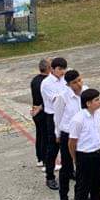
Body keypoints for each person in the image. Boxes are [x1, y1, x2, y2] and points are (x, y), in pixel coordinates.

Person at [54, 69, 85, 200]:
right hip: (68, 134)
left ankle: (82, 193)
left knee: (83, 166)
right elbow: (58, 117)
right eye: (74, 82)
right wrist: (58, 134)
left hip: (84, 134)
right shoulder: (63, 97)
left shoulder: (86, 92)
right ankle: (64, 197)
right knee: (66, 167)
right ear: (68, 85)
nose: (79, 84)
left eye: (79, 80)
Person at [41, 57, 68, 190]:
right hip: (52, 116)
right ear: (52, 69)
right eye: (60, 69)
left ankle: (68, 170)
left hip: (65, 115)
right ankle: (50, 176)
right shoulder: (46, 83)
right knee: (53, 147)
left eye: (64, 69)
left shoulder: (64, 80)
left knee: (67, 146)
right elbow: (57, 100)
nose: (62, 72)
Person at [30, 59, 50, 169]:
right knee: (46, 137)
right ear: (48, 68)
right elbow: (47, 99)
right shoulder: (47, 82)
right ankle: (46, 161)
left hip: (36, 113)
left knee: (40, 135)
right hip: (43, 112)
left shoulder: (34, 80)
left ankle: (40, 158)